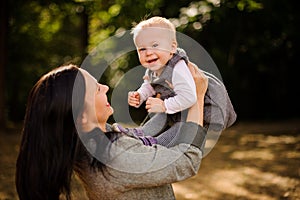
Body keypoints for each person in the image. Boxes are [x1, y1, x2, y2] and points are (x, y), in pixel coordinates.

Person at [15, 63, 208, 200]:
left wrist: (165, 106)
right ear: (81, 116)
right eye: (97, 89)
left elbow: (143, 140)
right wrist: (197, 97)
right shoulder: (115, 157)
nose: (106, 87)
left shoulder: (90, 144)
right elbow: (186, 160)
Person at [123, 16, 197, 147]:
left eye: (155, 45)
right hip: (175, 108)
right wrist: (140, 95)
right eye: (142, 49)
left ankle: (155, 141)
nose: (148, 52)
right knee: (158, 117)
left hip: (191, 111)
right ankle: (139, 134)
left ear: (172, 48)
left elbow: (190, 97)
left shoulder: (177, 68)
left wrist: (164, 105)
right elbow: (150, 86)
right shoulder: (153, 68)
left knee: (179, 129)